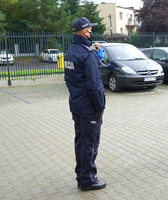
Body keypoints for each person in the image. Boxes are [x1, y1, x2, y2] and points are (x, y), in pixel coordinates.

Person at [64, 17, 106, 191]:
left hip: (77, 104)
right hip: (89, 108)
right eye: (89, 30)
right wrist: (100, 107)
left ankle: (82, 176)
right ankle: (88, 179)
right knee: (90, 144)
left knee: (81, 143)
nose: (91, 32)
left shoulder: (71, 52)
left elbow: (72, 79)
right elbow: (94, 85)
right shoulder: (86, 54)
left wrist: (94, 56)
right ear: (84, 32)